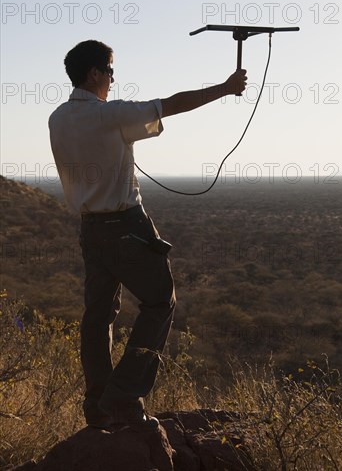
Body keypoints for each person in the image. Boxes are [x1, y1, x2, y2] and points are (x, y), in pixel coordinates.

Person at [48, 39, 247, 431]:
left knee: (97, 317)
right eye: (109, 70)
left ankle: (98, 405)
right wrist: (224, 89)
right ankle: (124, 396)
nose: (112, 78)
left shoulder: (57, 117)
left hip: (90, 230)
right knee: (160, 302)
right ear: (94, 74)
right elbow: (171, 103)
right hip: (126, 225)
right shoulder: (112, 115)